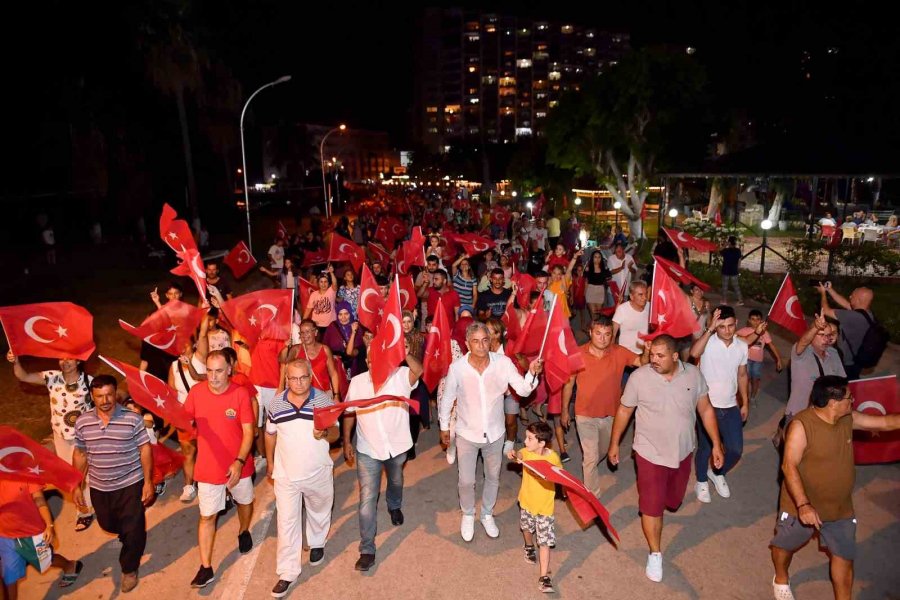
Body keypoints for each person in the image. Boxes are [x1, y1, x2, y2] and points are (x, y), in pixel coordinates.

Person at [770, 375, 900, 600]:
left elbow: (887, 423)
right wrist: (803, 505)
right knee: (784, 547)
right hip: (800, 507)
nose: (853, 401)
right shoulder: (802, 426)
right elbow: (788, 465)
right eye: (849, 397)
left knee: (844, 558)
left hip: (840, 509)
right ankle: (780, 577)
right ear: (833, 403)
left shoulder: (848, 418)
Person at [607, 335, 724, 583]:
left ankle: (664, 508)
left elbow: (705, 409)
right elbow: (625, 410)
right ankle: (655, 553)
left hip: (682, 452)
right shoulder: (640, 378)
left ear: (674, 356)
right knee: (652, 505)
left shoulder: (693, 375)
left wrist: (716, 443)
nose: (653, 360)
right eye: (652, 355)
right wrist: (614, 443)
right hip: (649, 452)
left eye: (660, 356)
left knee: (673, 502)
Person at [439, 322, 544, 542]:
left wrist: (532, 373)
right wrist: (444, 426)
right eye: (475, 341)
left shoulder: (503, 363)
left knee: (493, 477)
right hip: (467, 434)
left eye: (485, 340)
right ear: (468, 344)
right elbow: (447, 399)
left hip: (495, 434)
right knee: (466, 481)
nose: (481, 345)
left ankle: (487, 513)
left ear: (491, 341)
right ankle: (468, 514)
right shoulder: (457, 368)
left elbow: (523, 389)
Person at [342, 346, 423, 572]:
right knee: (367, 499)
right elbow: (349, 411)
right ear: (366, 361)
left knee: (396, 482)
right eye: (370, 360)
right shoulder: (357, 383)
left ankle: (394, 505)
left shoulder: (400, 376)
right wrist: (347, 440)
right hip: (368, 450)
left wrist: (405, 352)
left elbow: (419, 370)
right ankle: (367, 549)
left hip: (397, 447)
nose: (373, 364)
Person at [73, 375, 153, 593]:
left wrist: (148, 481)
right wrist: (76, 485)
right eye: (99, 396)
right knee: (107, 524)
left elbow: (145, 448)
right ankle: (127, 533)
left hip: (130, 482)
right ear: (92, 396)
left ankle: (129, 568)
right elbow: (80, 454)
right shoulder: (83, 422)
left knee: (133, 528)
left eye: (109, 394)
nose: (105, 400)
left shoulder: (132, 419)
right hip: (100, 486)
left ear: (115, 393)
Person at [265, 359, 337, 598]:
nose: (298, 383)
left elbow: (335, 433)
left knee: (319, 510)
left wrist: (325, 432)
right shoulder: (276, 403)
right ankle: (287, 571)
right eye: (293, 378)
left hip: (317, 471)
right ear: (287, 379)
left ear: (310, 376)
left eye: (303, 377)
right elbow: (270, 434)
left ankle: (317, 542)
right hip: (286, 475)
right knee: (286, 523)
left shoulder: (323, 400)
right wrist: (271, 462)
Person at [183, 350, 255, 588]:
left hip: (238, 466)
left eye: (219, 371)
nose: (213, 377)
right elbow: (185, 421)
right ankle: (206, 567)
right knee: (207, 516)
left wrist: (239, 461)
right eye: (209, 371)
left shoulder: (240, 394)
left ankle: (244, 530)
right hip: (208, 468)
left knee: (244, 502)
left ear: (229, 370)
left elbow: (248, 432)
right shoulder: (196, 393)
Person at [7, 350, 95, 531]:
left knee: (83, 474)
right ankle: (84, 505)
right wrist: (16, 361)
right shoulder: (52, 377)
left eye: (69, 358)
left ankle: (84, 512)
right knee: (70, 476)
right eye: (62, 358)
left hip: (82, 437)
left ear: (78, 361)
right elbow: (23, 376)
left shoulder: (89, 381)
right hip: (60, 436)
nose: (65, 362)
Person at [561, 317, 645, 498]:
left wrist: (648, 348)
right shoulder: (578, 354)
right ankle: (592, 497)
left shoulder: (619, 352)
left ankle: (591, 466)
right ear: (590, 333)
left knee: (604, 451)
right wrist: (564, 411)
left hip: (611, 415)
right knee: (590, 457)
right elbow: (569, 384)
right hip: (584, 414)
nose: (603, 338)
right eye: (598, 333)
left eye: (607, 334)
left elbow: (642, 363)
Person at [689, 306, 749, 504]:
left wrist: (745, 402)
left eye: (730, 326)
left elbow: (742, 375)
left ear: (736, 324)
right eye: (722, 327)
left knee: (735, 449)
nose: (727, 330)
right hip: (707, 406)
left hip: (730, 404)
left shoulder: (742, 346)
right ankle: (701, 481)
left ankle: (717, 472)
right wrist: (710, 329)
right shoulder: (709, 342)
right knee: (706, 447)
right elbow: (694, 352)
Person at [0, 480, 83, 598]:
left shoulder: (24, 472)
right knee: (8, 576)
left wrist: (49, 525)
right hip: (4, 536)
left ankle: (70, 566)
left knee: (46, 561)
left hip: (29, 532)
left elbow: (39, 500)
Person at [507, 422, 562, 593]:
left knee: (544, 542)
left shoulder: (553, 458)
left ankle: (544, 577)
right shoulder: (527, 453)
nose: (525, 441)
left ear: (542, 443)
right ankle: (529, 547)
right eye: (526, 437)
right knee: (527, 529)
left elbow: (560, 475)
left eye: (530, 438)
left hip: (545, 507)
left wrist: (564, 488)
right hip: (527, 502)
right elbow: (520, 456)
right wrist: (514, 454)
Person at [785, 314, 845, 420]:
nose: (826, 339)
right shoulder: (802, 353)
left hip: (824, 415)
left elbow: (841, 383)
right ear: (811, 335)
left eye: (828, 335)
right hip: (798, 414)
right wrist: (816, 327)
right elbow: (803, 342)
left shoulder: (834, 353)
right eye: (821, 334)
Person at [817, 282, 877, 380]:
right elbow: (845, 304)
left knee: (841, 386)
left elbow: (826, 310)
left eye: (852, 296)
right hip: (857, 360)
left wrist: (823, 293)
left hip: (846, 363)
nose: (849, 297)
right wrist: (830, 290)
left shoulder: (851, 316)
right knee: (852, 382)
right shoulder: (867, 314)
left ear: (858, 300)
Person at [737, 310, 784, 401]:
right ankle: (744, 398)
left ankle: (753, 397)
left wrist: (778, 359)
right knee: (745, 379)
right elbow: (733, 336)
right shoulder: (744, 331)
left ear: (761, 320)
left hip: (757, 361)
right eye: (753, 319)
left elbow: (772, 346)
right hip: (746, 360)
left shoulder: (764, 333)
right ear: (749, 320)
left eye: (758, 319)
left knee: (755, 380)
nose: (755, 322)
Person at [612, 281, 650, 357]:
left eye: (645, 294)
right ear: (631, 296)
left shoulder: (649, 306)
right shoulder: (622, 309)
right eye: (640, 295)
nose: (645, 298)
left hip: (645, 354)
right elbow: (613, 334)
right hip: (626, 354)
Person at [304, 267, 338, 337]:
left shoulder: (331, 292)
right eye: (321, 282)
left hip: (330, 324)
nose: (323, 284)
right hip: (316, 325)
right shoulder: (313, 294)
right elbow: (308, 309)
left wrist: (331, 273)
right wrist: (303, 322)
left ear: (328, 283)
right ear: (318, 283)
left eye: (325, 282)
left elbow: (334, 283)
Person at [584, 250, 610, 320]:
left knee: (598, 314)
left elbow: (608, 280)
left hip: (600, 291)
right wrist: (584, 294)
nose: (597, 259)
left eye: (599, 257)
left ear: (601, 258)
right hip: (590, 290)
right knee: (593, 314)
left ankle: (593, 326)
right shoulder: (588, 269)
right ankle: (593, 327)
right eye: (595, 257)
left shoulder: (604, 269)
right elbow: (586, 282)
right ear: (592, 258)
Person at [720, 236, 743, 305]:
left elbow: (719, 250)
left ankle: (724, 301)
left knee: (725, 286)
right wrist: (738, 269)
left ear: (729, 242)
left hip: (726, 270)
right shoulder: (738, 251)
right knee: (736, 286)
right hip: (734, 270)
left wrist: (725, 245)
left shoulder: (726, 250)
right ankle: (740, 300)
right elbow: (739, 261)